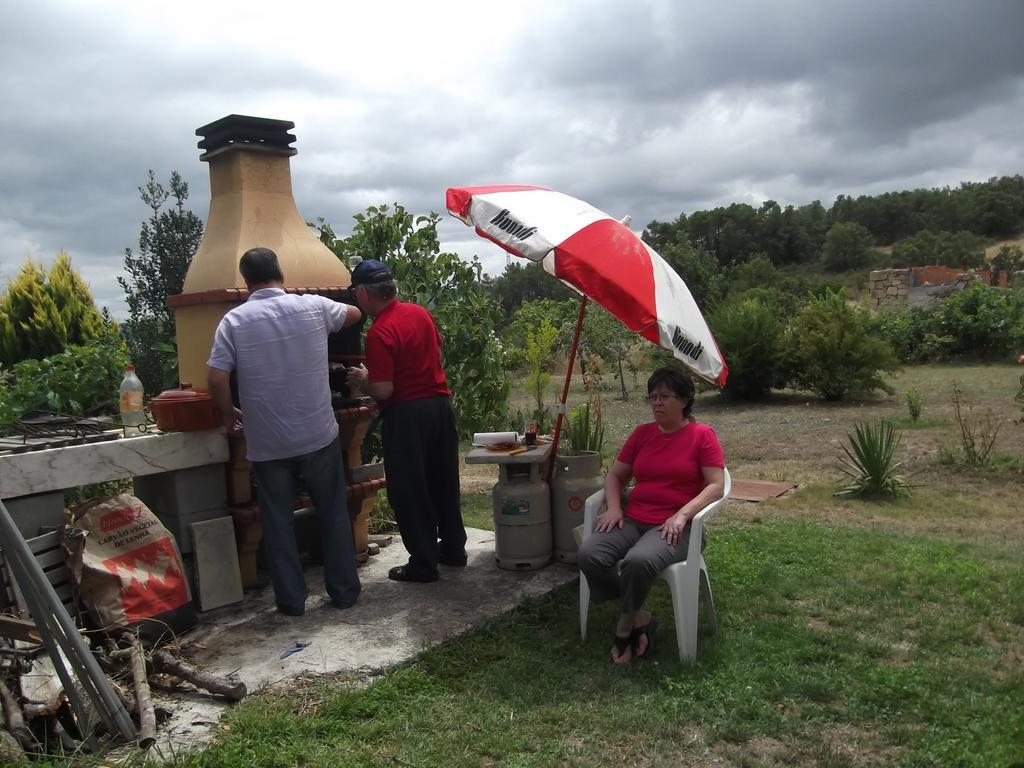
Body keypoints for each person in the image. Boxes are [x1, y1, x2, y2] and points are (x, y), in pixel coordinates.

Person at [207, 247, 363, 616]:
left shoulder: (234, 321)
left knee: (277, 522)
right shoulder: (312, 306)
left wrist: (228, 415)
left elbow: (215, 376)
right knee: (332, 513)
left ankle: (292, 602)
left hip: (268, 441)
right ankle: (343, 592)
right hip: (317, 433)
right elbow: (356, 313)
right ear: (281, 273)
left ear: (246, 282)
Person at [577, 366, 725, 664]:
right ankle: (639, 616)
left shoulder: (702, 435)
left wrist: (683, 515)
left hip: (675, 527)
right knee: (590, 553)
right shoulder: (642, 434)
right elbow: (615, 476)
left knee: (638, 561)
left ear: (684, 400)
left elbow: (716, 485)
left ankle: (622, 626)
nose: (657, 403)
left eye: (665, 396)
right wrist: (616, 507)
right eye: (652, 397)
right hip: (633, 518)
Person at [345, 259, 466, 583]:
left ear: (363, 293)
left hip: (408, 415)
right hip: (440, 407)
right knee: (443, 482)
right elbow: (432, 348)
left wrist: (363, 380)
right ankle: (454, 549)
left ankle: (423, 564)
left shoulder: (380, 331)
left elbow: (384, 389)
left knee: (410, 490)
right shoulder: (419, 313)